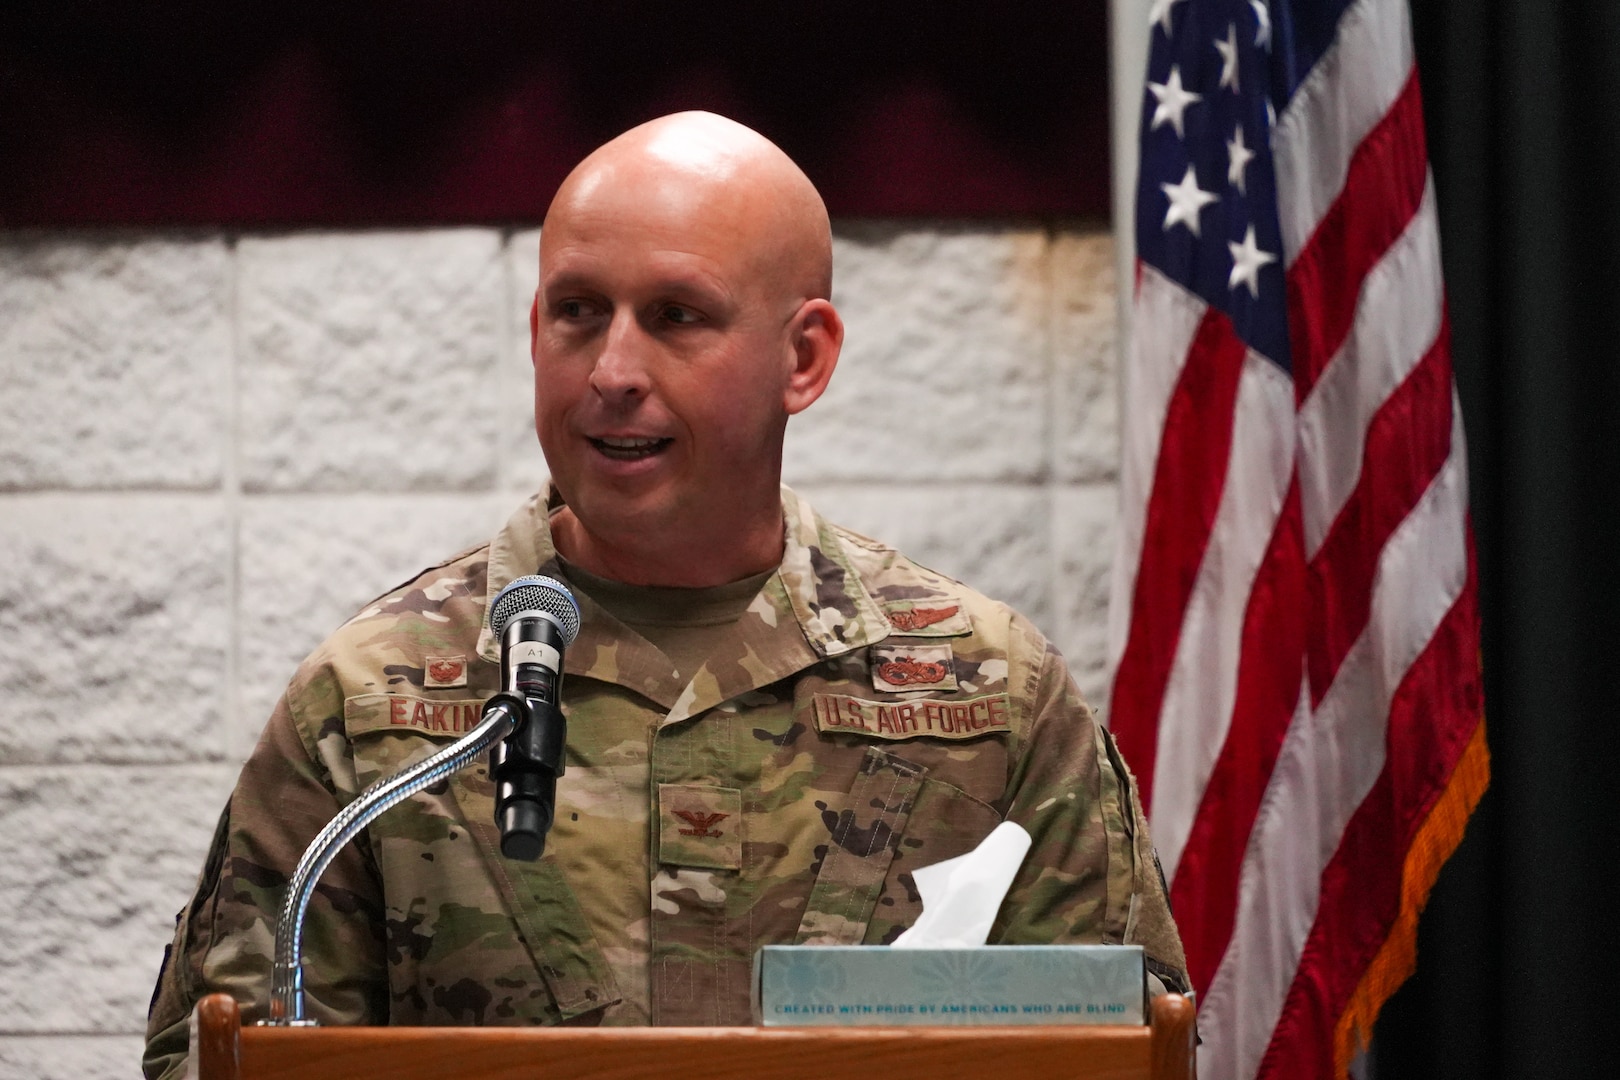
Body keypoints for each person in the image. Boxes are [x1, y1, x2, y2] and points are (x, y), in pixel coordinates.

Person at [143, 111, 1189, 1078]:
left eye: (676, 316)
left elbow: (1121, 1049)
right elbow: (230, 1053)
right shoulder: (376, 704)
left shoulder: (988, 696)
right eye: (578, 312)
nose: (612, 370)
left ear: (804, 356)